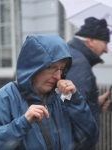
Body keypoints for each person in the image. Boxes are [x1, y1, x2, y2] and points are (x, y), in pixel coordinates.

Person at [0, 34, 98, 150]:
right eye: (52, 68)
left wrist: (75, 100)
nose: (58, 76)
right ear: (34, 67)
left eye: (61, 69)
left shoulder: (63, 98)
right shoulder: (4, 98)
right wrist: (23, 123)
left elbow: (88, 140)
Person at [66, 17, 111, 148]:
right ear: (90, 41)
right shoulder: (79, 63)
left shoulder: (74, 57)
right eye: (105, 43)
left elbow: (75, 100)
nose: (106, 50)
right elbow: (72, 108)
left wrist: (95, 104)